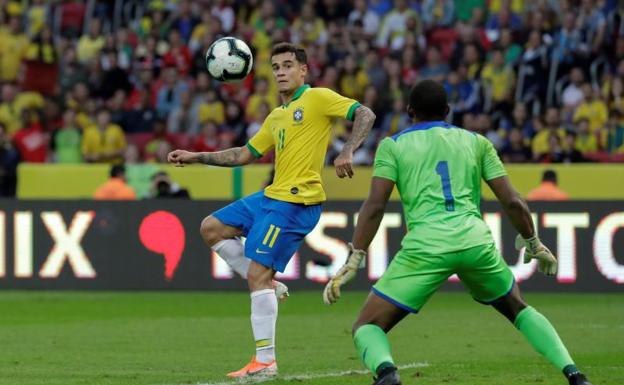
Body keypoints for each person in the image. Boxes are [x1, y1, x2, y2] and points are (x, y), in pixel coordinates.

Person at [323, 80, 592, 385]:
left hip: (426, 246)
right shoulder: (477, 142)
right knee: (518, 308)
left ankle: (387, 373)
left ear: (409, 111)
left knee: (367, 325)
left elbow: (374, 207)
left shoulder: (392, 146)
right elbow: (513, 201)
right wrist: (533, 242)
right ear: (448, 111)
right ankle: (574, 374)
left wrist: (355, 257)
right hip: (474, 240)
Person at [166, 42, 376, 379]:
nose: (281, 72)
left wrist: (348, 149)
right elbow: (244, 155)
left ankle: (265, 361)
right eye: (276, 66)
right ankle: (268, 284)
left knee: (256, 276)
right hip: (271, 196)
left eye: (288, 65)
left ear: (303, 70)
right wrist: (196, 156)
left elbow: (365, 113)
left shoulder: (318, 98)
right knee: (211, 228)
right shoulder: (276, 116)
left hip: (296, 202)